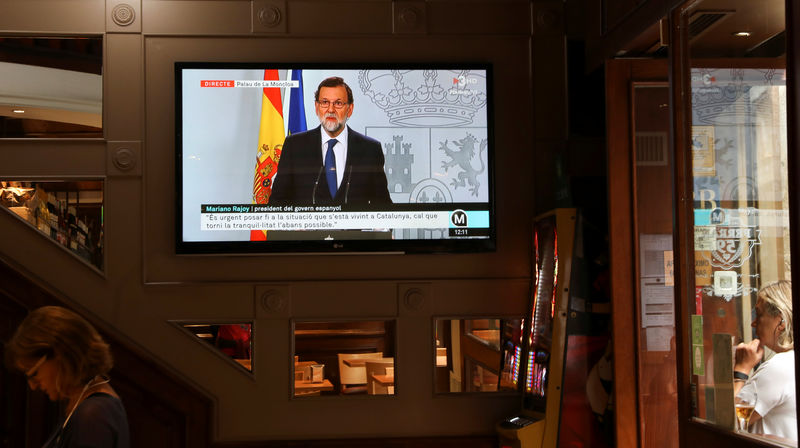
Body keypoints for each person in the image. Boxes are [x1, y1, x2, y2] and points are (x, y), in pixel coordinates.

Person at [5, 306, 130, 448]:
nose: (33, 386)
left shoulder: (93, 415)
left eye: (34, 374)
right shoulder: (85, 404)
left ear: (60, 354)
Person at [270, 76, 392, 206]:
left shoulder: (370, 149)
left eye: (338, 103)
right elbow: (277, 204)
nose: (331, 109)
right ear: (317, 107)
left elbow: (383, 207)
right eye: (324, 102)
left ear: (349, 109)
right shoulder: (294, 146)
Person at [734, 280, 795, 441]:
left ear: (780, 321)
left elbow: (730, 420)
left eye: (759, 315)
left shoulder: (779, 367)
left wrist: (741, 369)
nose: (754, 323)